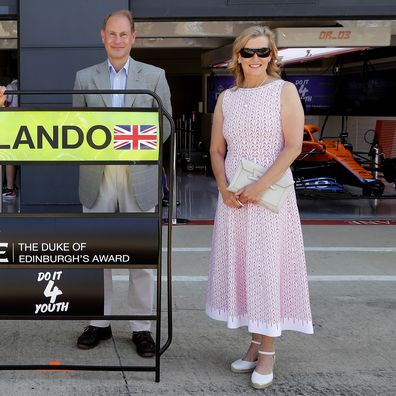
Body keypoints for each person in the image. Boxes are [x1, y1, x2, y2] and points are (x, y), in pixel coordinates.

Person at [206, 26, 313, 389]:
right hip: (234, 199)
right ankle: (254, 343)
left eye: (263, 52)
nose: (256, 59)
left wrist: (259, 186)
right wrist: (223, 187)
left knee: (266, 270)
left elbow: (293, 146)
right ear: (237, 56)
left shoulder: (284, 92)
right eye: (248, 53)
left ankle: (268, 352)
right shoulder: (228, 97)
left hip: (270, 200)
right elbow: (216, 149)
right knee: (244, 268)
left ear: (273, 56)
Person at [73, 10, 171, 357]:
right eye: (111, 34)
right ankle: (98, 323)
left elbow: (167, 125)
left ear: (134, 37)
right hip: (97, 176)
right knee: (96, 253)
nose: (117, 40)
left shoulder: (155, 76)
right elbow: (75, 128)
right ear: (103, 36)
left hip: (138, 175)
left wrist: (135, 139)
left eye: (123, 34)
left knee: (141, 258)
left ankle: (141, 328)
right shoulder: (84, 77)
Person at [0, 79, 19, 200]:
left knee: (10, 157)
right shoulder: (14, 86)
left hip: (11, 125)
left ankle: (10, 188)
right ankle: (9, 189)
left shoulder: (11, 87)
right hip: (20, 125)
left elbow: (4, 104)